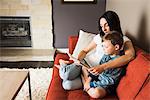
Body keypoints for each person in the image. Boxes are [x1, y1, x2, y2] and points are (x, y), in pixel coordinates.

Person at [78, 11, 135, 98]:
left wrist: (102, 67)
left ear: (114, 24)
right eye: (101, 26)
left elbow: (129, 56)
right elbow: (85, 51)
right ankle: (71, 69)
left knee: (69, 84)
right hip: (92, 70)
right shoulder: (100, 39)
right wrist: (78, 59)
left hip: (98, 75)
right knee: (70, 74)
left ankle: (79, 76)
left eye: (106, 25)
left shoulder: (123, 40)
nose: (103, 29)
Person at [83, 31, 124, 98]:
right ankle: (86, 83)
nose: (103, 49)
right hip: (98, 79)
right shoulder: (106, 55)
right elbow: (98, 69)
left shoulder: (119, 62)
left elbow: (110, 81)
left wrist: (92, 84)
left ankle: (85, 82)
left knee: (97, 93)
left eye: (106, 47)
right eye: (103, 46)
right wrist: (89, 80)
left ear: (116, 47)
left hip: (107, 85)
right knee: (87, 72)